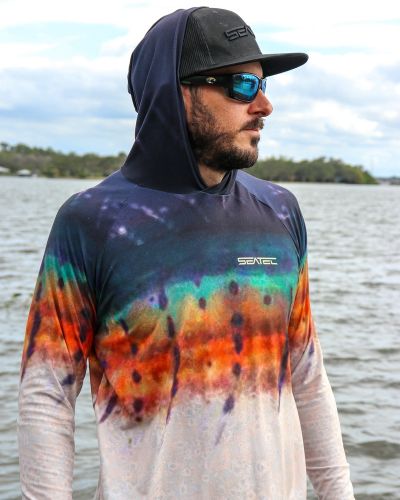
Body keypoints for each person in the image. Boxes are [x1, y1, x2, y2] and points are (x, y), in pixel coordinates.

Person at [18, 7, 355, 499]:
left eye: (263, 85)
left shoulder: (280, 211)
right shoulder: (92, 222)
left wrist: (339, 493)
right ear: (174, 92)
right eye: (242, 85)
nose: (264, 105)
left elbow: (306, 374)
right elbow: (48, 391)